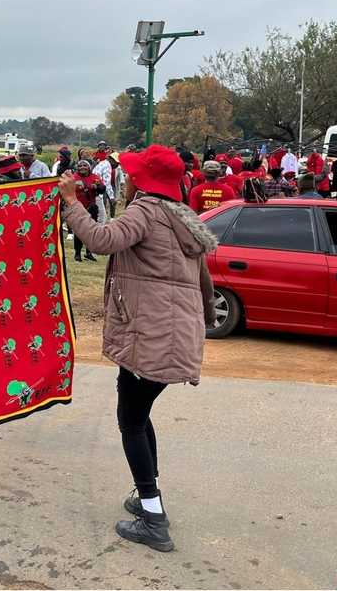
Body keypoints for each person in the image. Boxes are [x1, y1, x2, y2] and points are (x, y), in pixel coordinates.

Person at [59, 143, 216, 553]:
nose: (127, 178)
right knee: (140, 415)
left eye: (132, 174)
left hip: (150, 334)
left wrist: (71, 202)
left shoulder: (145, 211)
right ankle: (148, 497)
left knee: (130, 420)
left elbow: (98, 239)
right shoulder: (183, 217)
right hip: (172, 332)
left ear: (141, 180)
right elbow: (204, 284)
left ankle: (153, 517)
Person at [70, 159, 104, 262]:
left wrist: (96, 186)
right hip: (78, 207)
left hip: (91, 207)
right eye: (80, 166)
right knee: (78, 231)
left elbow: (103, 189)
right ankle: (77, 253)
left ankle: (89, 252)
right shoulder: (73, 178)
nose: (82, 167)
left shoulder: (95, 177)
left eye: (85, 165)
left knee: (91, 231)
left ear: (89, 167)